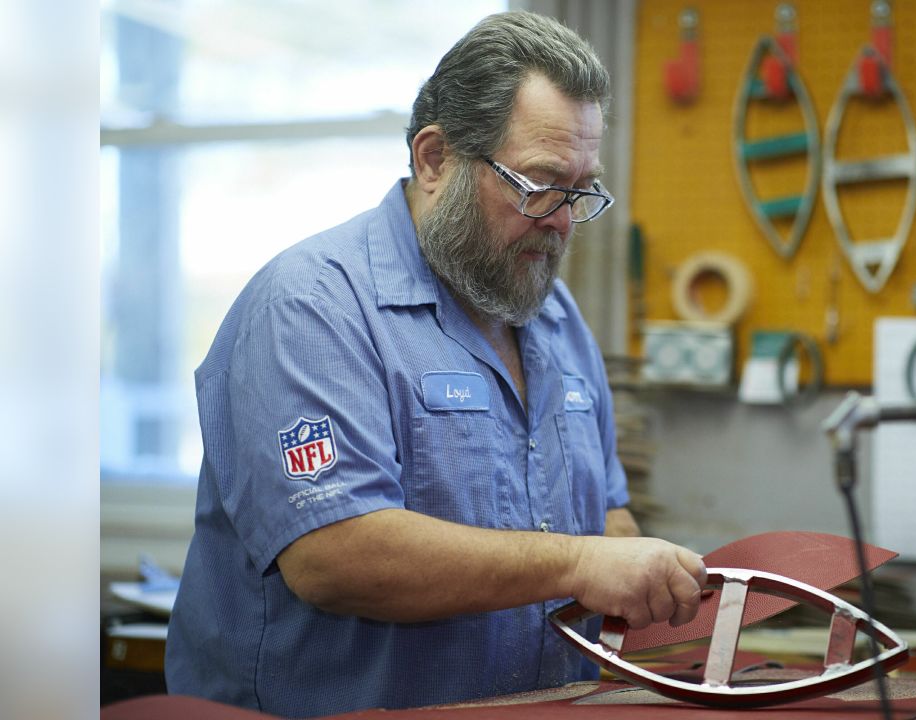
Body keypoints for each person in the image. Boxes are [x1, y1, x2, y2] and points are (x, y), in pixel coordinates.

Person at [164, 12, 707, 718]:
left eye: (581, 190)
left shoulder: (555, 316)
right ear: (434, 160)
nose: (565, 220)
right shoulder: (312, 306)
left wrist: (648, 566)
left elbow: (605, 515)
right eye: (540, 183)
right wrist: (580, 564)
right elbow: (336, 556)